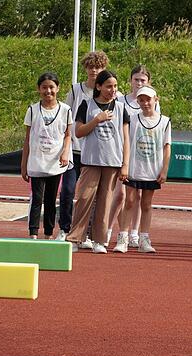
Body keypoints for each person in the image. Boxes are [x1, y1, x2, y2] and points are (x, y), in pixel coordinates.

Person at [67, 70, 130, 254]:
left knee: (105, 202)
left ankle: (99, 240)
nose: (113, 90)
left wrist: (125, 164)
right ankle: (75, 238)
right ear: (99, 86)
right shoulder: (87, 105)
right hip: (91, 160)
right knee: (84, 198)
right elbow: (78, 132)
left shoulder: (120, 108)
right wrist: (97, 120)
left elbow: (125, 138)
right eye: (109, 86)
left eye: (115, 86)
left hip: (112, 162)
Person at [58, 50, 109, 246]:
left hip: (95, 152)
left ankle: (86, 234)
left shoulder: (110, 93)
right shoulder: (75, 90)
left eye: (98, 67)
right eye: (90, 67)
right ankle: (64, 229)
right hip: (74, 149)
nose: (94, 70)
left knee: (91, 195)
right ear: (86, 68)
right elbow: (66, 118)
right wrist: (64, 144)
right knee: (68, 190)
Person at [113, 86, 171, 254]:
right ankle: (123, 237)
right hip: (134, 167)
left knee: (146, 204)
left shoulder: (164, 121)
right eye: (141, 100)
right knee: (130, 201)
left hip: (152, 169)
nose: (145, 103)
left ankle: (144, 238)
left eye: (148, 99)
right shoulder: (132, 119)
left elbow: (167, 147)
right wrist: (124, 165)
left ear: (155, 100)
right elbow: (126, 142)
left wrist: (164, 170)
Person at [107, 65, 158, 248]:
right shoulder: (121, 100)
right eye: (136, 79)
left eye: (142, 80)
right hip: (122, 152)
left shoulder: (152, 102)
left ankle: (134, 233)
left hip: (143, 154)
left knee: (138, 197)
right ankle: (109, 230)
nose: (139, 83)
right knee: (120, 195)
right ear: (130, 81)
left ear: (148, 83)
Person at [21, 72, 72, 239]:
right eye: (44, 87)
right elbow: (28, 138)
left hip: (55, 162)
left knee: (51, 200)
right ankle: (33, 232)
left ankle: (49, 233)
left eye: (51, 87)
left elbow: (67, 134)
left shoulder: (65, 110)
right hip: (36, 161)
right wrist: (23, 164)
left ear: (57, 88)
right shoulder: (33, 110)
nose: (48, 91)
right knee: (37, 198)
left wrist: (65, 152)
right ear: (38, 89)